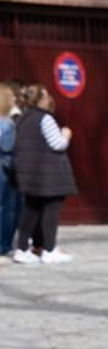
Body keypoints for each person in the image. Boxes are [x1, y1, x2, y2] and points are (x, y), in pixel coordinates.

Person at [11, 83, 78, 265]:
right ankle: (49, 250)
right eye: (46, 96)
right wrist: (66, 135)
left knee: (31, 209)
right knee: (51, 209)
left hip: (30, 172)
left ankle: (22, 249)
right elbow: (57, 144)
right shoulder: (45, 118)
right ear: (40, 99)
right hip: (48, 173)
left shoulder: (23, 118)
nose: (49, 99)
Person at [0, 82, 18, 258]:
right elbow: (7, 148)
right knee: (6, 208)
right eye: (12, 96)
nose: (15, 99)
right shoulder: (7, 123)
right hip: (4, 171)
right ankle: (4, 245)